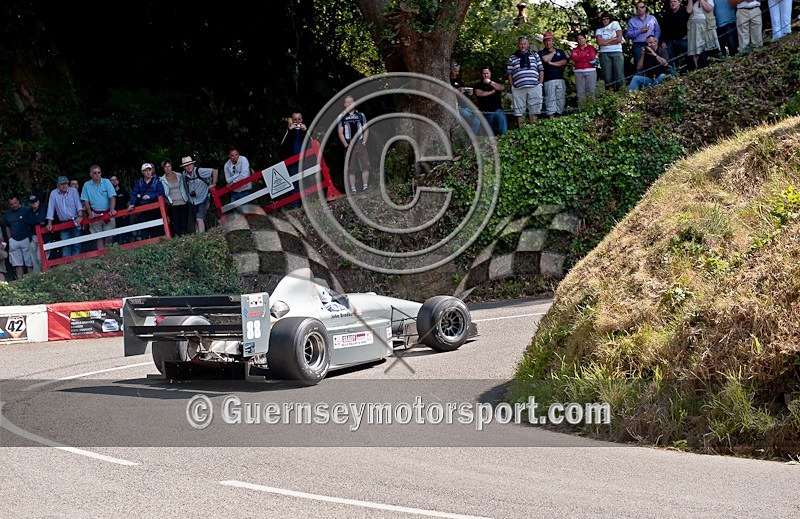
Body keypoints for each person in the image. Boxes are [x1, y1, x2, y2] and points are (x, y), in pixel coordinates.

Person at [507, 35, 545, 125]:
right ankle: (522, 132)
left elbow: (541, 69)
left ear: (528, 45)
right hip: (518, 88)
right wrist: (512, 86)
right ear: (518, 45)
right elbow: (509, 73)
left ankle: (533, 131)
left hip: (534, 86)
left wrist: (540, 84)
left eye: (524, 44)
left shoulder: (535, 55)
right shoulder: (512, 58)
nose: (523, 46)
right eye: (521, 44)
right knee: (519, 112)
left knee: (534, 110)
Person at [337, 95, 371, 193]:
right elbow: (340, 132)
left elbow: (366, 129)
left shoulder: (361, 115)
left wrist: (364, 142)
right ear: (344, 104)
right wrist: (346, 145)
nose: (349, 104)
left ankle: (365, 186)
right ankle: (353, 189)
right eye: (347, 102)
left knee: (365, 165)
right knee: (350, 167)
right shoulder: (342, 117)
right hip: (348, 143)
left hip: (360, 142)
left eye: (351, 102)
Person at [46, 176, 84, 258]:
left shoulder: (73, 191)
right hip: (63, 222)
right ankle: (67, 266)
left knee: (77, 244)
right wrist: (49, 222)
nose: (64, 186)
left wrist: (80, 216)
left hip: (75, 221)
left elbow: (78, 204)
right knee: (65, 245)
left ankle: (77, 263)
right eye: (62, 184)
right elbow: (50, 208)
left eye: (65, 183)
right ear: (58, 185)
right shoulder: (53, 193)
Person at [80, 164, 117, 251]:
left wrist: (112, 209)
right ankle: (101, 255)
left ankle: (109, 253)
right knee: (98, 237)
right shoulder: (86, 185)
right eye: (94, 173)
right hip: (95, 214)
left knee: (109, 236)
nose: (97, 174)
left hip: (107, 212)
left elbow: (112, 196)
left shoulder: (107, 182)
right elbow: (85, 200)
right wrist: (89, 213)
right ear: (91, 174)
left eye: (98, 172)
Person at [180, 156, 218, 233]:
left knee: (199, 218)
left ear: (193, 164)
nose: (188, 167)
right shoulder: (184, 175)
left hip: (203, 198)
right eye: (186, 166)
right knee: (196, 219)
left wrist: (214, 183)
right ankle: (200, 235)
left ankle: (201, 236)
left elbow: (215, 171)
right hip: (193, 201)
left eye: (190, 164)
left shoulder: (199, 171)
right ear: (183, 167)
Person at [130, 162, 166, 240]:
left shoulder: (157, 182)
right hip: (143, 210)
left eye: (149, 170)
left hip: (155, 210)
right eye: (145, 171)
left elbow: (161, 193)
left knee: (157, 230)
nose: (148, 172)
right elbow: (134, 194)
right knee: (145, 231)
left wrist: (150, 197)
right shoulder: (139, 183)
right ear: (142, 172)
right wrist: (132, 204)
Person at [280, 112, 308, 208]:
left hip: (304, 161)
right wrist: (289, 130)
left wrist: (305, 131)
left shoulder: (305, 130)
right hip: (293, 162)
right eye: (295, 119)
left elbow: (312, 142)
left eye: (299, 119)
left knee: (306, 181)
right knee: (294, 182)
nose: (297, 122)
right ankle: (295, 204)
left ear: (302, 119)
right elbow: (282, 144)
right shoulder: (287, 131)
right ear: (292, 120)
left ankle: (306, 202)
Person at [538, 33, 569, 118]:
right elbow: (545, 59)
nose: (548, 43)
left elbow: (564, 62)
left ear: (553, 41)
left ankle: (559, 119)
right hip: (548, 80)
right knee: (550, 100)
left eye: (549, 40)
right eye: (546, 41)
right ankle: (551, 120)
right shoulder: (541, 52)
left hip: (560, 79)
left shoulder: (560, 51)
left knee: (561, 100)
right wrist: (552, 53)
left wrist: (552, 63)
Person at [4, 195, 33, 280]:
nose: (14, 205)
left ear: (19, 202)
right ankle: (20, 281)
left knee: (29, 261)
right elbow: (7, 226)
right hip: (14, 240)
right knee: (17, 263)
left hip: (26, 238)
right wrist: (10, 239)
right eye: (12, 204)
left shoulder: (26, 210)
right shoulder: (8, 213)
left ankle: (32, 278)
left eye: (15, 203)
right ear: (9, 204)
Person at [472, 66, 508, 136]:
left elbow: (501, 87)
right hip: (486, 111)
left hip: (497, 109)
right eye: (484, 73)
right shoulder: (478, 85)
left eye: (487, 73)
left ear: (490, 73)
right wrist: (491, 92)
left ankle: (505, 137)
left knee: (502, 116)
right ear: (481, 74)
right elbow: (479, 93)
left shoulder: (495, 83)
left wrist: (490, 82)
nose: (485, 75)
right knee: (489, 132)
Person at [595, 12, 625, 90]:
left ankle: (622, 94)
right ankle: (610, 95)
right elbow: (600, 42)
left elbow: (619, 39)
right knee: (607, 77)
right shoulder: (599, 30)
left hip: (617, 51)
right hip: (604, 54)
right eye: (603, 19)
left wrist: (606, 42)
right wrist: (611, 39)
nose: (605, 21)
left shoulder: (616, 25)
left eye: (607, 19)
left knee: (619, 75)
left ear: (610, 19)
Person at [160, 159, 190, 237]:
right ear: (163, 168)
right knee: (176, 222)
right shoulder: (162, 179)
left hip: (183, 200)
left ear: (171, 166)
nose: (167, 168)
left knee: (184, 220)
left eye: (169, 166)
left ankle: (185, 235)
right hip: (172, 203)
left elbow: (185, 186)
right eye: (165, 167)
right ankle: (180, 236)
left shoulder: (179, 175)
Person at [687, 0, 720, 69]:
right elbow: (689, 11)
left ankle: (712, 65)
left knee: (710, 45)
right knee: (695, 48)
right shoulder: (693, 2)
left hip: (707, 25)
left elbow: (709, 9)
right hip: (694, 26)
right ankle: (697, 66)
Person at [449, 62, 481, 134]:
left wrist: (469, 92)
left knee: (478, 120)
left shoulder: (458, 81)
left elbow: (464, 91)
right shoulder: (448, 81)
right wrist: (457, 91)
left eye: (458, 71)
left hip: (465, 106)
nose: (457, 73)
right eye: (455, 71)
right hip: (457, 107)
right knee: (474, 121)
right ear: (450, 70)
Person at [661, 0, 691, 71]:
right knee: (672, 60)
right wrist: (663, 41)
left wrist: (687, 34)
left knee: (688, 56)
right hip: (671, 41)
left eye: (674, 1)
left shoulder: (685, 12)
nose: (672, 3)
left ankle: (690, 70)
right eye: (671, 2)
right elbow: (664, 29)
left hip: (683, 39)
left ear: (679, 2)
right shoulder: (667, 15)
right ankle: (675, 74)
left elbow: (690, 24)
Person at [571, 33, 598, 105]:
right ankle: (582, 110)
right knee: (580, 92)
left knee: (591, 91)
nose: (580, 41)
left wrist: (580, 57)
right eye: (578, 39)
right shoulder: (574, 49)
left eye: (582, 38)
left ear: (585, 39)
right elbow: (574, 58)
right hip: (578, 71)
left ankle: (592, 108)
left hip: (590, 70)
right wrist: (586, 56)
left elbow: (592, 57)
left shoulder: (591, 48)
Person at [27, 195, 50, 272]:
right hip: (34, 236)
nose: (34, 204)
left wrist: (36, 221)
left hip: (44, 237)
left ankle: (46, 273)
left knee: (40, 257)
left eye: (35, 201)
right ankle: (37, 274)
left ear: (38, 201)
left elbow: (42, 219)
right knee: (33, 256)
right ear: (29, 204)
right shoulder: (29, 212)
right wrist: (38, 222)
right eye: (32, 202)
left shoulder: (43, 209)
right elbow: (28, 221)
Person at [109, 174, 132, 244]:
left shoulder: (123, 190)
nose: (114, 181)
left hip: (124, 214)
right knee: (115, 233)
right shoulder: (108, 193)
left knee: (126, 231)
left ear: (118, 181)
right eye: (112, 180)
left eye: (115, 180)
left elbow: (128, 202)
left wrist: (127, 212)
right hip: (113, 216)